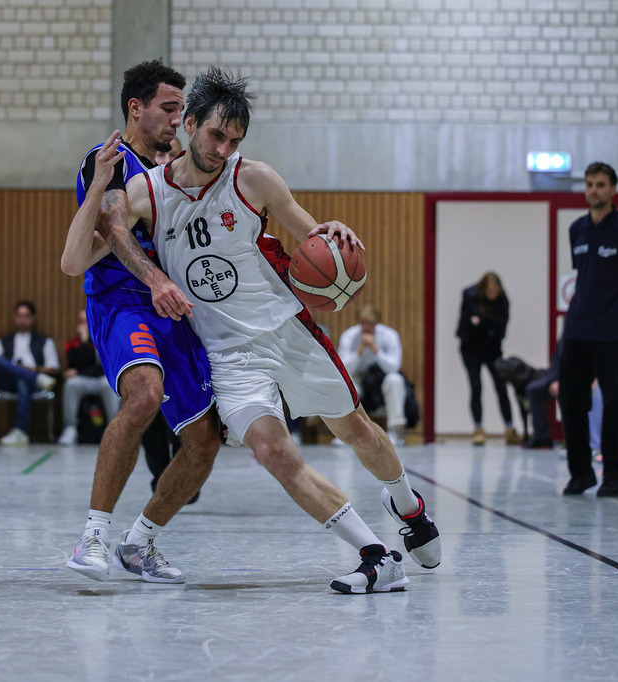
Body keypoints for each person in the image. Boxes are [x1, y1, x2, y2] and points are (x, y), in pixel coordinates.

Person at [72, 67, 441, 593]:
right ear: (191, 124)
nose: (223, 149)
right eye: (215, 135)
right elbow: (91, 247)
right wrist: (133, 254)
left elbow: (309, 232)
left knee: (355, 429)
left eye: (234, 140)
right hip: (229, 356)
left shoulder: (254, 178)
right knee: (273, 452)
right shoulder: (146, 191)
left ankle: (408, 504)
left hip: (285, 330)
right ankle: (376, 555)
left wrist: (329, 234)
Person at [61, 60, 221, 584]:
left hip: (174, 304)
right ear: (136, 108)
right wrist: (154, 279)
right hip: (123, 299)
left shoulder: (177, 164)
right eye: (169, 109)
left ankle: (140, 542)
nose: (178, 119)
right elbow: (111, 226)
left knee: (204, 442)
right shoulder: (109, 161)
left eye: (181, 110)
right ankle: (93, 537)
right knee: (145, 394)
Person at [559, 162, 618, 497]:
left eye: (600, 184)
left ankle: (613, 475)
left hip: (613, 332)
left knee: (615, 402)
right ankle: (581, 473)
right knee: (571, 400)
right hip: (577, 328)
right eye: (589, 184)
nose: (593, 190)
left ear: (613, 189)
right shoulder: (577, 229)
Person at [456, 272, 518, 446]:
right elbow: (464, 326)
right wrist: (486, 324)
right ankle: (478, 428)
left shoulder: (503, 300)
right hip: (471, 349)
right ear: (484, 289)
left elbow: (501, 329)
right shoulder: (470, 295)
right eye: (490, 291)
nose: (493, 295)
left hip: (492, 348)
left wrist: (481, 322)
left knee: (501, 387)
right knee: (476, 387)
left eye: (495, 291)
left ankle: (510, 427)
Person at [0, 300, 59, 445]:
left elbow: (53, 368)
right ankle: (35, 377)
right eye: (20, 316)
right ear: (14, 318)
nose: (23, 320)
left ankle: (20, 431)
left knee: (23, 382)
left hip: (33, 384)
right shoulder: (3, 341)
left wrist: (33, 369)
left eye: (26, 316)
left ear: (33, 319)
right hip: (7, 382)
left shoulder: (44, 341)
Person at [337, 304, 406, 445]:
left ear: (377, 323)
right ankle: (345, 432)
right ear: (359, 322)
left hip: (380, 378)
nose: (367, 327)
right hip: (357, 377)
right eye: (364, 323)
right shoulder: (349, 336)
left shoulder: (390, 335)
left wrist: (376, 350)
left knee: (395, 380)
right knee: (342, 383)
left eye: (371, 323)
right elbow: (342, 368)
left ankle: (395, 430)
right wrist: (359, 351)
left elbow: (394, 367)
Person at [57, 309, 120, 446]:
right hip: (83, 380)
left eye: (86, 321)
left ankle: (115, 430)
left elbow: (102, 366)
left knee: (110, 385)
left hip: (102, 379)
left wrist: (80, 370)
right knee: (71, 384)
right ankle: (70, 428)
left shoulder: (104, 338)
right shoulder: (72, 343)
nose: (84, 325)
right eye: (81, 322)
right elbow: (76, 362)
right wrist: (84, 341)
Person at [523, 339, 563, 449]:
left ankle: (574, 440)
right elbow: (555, 362)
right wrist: (554, 380)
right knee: (534, 389)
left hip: (578, 379)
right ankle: (541, 438)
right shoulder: (566, 336)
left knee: (568, 391)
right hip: (560, 378)